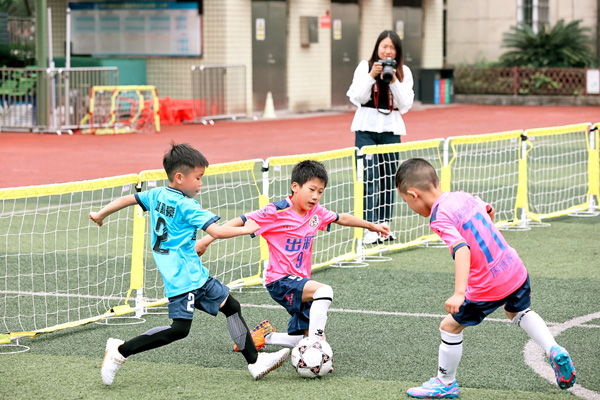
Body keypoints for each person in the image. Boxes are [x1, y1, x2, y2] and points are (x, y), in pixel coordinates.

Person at [89, 143, 290, 386]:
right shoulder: (187, 205)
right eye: (198, 177)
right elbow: (216, 230)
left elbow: (128, 198)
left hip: (195, 273)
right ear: (179, 177)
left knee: (231, 306)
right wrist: (246, 229)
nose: (201, 183)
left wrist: (101, 214)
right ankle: (120, 351)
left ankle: (255, 362)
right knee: (180, 330)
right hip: (182, 277)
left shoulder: (157, 194)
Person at [394, 158, 576, 398]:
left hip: (488, 284)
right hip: (513, 267)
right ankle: (553, 348)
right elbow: (488, 211)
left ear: (413, 194)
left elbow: (461, 249)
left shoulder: (439, 217)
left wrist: (459, 293)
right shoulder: (462, 196)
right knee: (517, 312)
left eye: (406, 202)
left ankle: (445, 383)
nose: (409, 206)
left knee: (449, 326)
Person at [196, 160, 390, 353]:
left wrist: (372, 226)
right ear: (295, 187)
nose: (315, 197)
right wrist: (205, 241)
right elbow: (240, 221)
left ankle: (266, 337)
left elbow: (342, 218)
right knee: (324, 292)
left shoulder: (316, 213)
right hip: (280, 280)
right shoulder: (275, 211)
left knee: (306, 336)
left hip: (301, 281)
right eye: (312, 189)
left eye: (320, 192)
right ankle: (315, 348)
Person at [346, 29, 415, 245]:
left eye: (392, 48)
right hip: (365, 128)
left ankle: (384, 227)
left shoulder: (404, 72)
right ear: (377, 48)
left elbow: (405, 105)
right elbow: (356, 97)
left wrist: (393, 79)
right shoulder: (364, 67)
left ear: (397, 52)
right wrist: (371, 76)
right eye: (383, 46)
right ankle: (369, 228)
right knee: (368, 179)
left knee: (387, 179)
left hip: (391, 129)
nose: (387, 51)